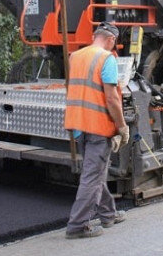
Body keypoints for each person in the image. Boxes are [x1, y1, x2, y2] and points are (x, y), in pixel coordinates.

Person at [64, 22, 129, 239]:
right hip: (98, 127)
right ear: (111, 40)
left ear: (95, 36)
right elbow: (111, 98)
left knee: (96, 172)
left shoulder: (76, 56)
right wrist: (121, 126)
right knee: (92, 177)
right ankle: (77, 225)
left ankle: (108, 214)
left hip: (78, 125)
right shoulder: (106, 58)